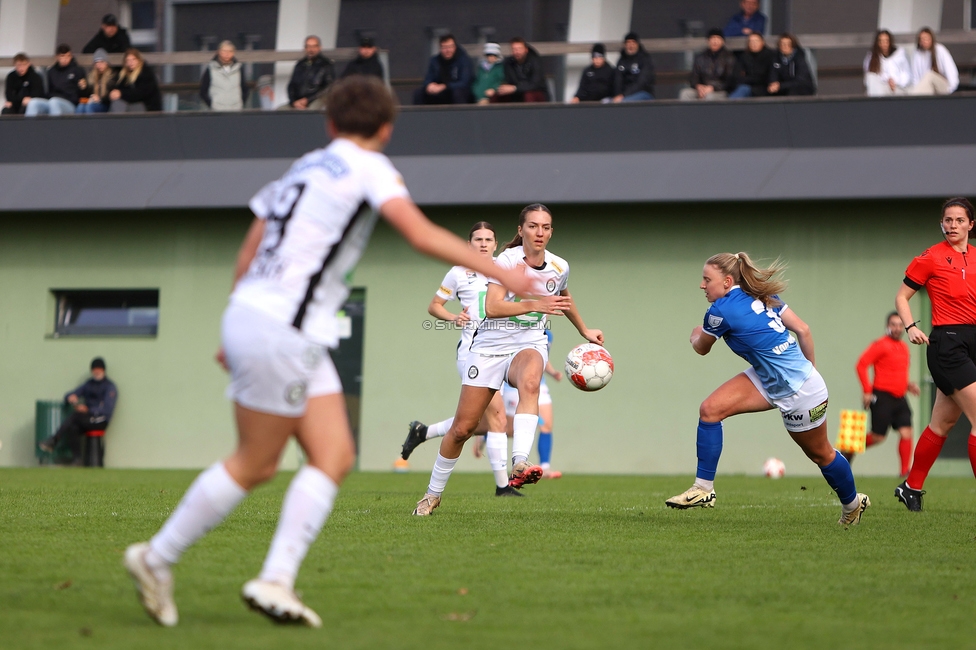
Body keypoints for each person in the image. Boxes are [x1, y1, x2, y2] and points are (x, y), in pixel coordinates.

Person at [122, 75, 532, 627]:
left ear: (330, 123)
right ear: (386, 129)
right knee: (257, 462)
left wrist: (233, 322)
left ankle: (274, 580)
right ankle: (157, 557)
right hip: (283, 326)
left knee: (333, 453)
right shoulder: (370, 166)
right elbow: (419, 234)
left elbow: (253, 242)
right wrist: (505, 272)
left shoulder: (306, 165)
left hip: (261, 318)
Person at [412, 203, 603, 516]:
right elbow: (493, 307)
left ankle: (520, 463)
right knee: (462, 429)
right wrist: (534, 304)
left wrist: (584, 329)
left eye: (545, 227)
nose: (539, 232)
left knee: (531, 381)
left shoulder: (559, 266)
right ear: (521, 230)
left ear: (551, 231)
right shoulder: (506, 262)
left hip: (528, 343)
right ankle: (432, 495)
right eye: (532, 226)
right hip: (488, 346)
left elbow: (563, 299)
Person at [666, 252, 870, 527]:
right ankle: (703, 489)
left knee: (821, 454)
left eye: (707, 279)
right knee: (710, 410)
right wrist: (809, 370)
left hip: (800, 392)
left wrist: (694, 334)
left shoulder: (720, 310)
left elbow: (701, 347)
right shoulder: (761, 296)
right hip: (775, 378)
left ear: (727, 281)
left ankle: (853, 505)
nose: (702, 285)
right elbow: (804, 330)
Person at [400, 222, 521, 496]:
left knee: (474, 422)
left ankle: (424, 432)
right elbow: (434, 306)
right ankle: (503, 487)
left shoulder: (504, 272)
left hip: (500, 353)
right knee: (498, 417)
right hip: (471, 354)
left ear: (495, 244)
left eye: (488, 239)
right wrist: (454, 317)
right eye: (477, 238)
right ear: (469, 244)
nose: (483, 243)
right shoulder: (458, 273)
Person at [893, 197, 976, 512]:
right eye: (948, 220)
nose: (952, 225)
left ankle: (911, 488)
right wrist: (911, 325)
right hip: (947, 344)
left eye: (959, 220)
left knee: (942, 423)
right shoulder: (931, 257)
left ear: (971, 224)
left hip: (972, 341)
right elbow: (902, 296)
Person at [850, 312, 920, 476]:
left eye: (899, 325)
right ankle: (849, 448)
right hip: (882, 396)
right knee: (878, 437)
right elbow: (861, 365)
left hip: (900, 397)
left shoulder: (904, 347)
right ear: (887, 326)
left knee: (906, 432)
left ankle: (904, 472)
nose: (897, 328)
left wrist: (908, 385)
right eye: (893, 325)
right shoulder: (880, 345)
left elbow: (896, 371)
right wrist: (867, 391)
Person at [39, 358, 118, 467]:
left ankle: (54, 439)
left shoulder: (110, 386)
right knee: (73, 427)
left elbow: (107, 409)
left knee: (76, 416)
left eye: (99, 369)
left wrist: (88, 410)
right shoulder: (88, 384)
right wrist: (70, 397)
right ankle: (77, 459)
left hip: (101, 420)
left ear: (103, 370)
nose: (96, 371)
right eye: (94, 369)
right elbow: (70, 394)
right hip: (87, 418)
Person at [25, 44, 86, 117]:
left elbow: (83, 92)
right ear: (57, 57)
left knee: (54, 102)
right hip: (51, 100)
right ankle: (27, 127)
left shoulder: (77, 70)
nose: (65, 59)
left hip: (70, 103)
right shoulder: (51, 71)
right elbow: (48, 91)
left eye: (68, 56)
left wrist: (84, 87)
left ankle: (53, 128)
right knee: (33, 103)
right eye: (62, 56)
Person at [413, 34, 473, 105]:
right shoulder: (435, 61)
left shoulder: (464, 61)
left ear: (454, 47)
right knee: (418, 93)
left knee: (457, 93)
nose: (447, 50)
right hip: (440, 91)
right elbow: (428, 78)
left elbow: (464, 82)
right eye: (444, 47)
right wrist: (429, 85)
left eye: (450, 47)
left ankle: (460, 115)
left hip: (458, 91)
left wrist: (446, 86)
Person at [679, 29, 736, 101]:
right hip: (702, 89)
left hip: (720, 91)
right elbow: (694, 76)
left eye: (718, 39)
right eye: (712, 39)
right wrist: (698, 86)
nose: (715, 42)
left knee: (709, 97)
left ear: (722, 41)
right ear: (708, 41)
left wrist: (713, 87)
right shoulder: (701, 57)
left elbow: (729, 81)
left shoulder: (729, 58)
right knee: (685, 94)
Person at [491, 37, 548, 103]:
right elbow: (505, 79)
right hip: (516, 94)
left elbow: (535, 84)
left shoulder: (535, 62)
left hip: (536, 92)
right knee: (497, 95)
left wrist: (515, 88)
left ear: (526, 50)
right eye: (514, 49)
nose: (517, 52)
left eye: (519, 49)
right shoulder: (508, 63)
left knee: (528, 95)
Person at [284, 36, 335, 110]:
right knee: (280, 110)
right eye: (308, 46)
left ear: (320, 47)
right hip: (297, 101)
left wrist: (308, 100)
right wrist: (293, 101)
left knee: (310, 111)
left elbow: (329, 87)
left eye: (314, 46)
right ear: (305, 48)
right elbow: (291, 85)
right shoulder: (300, 64)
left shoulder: (326, 65)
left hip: (316, 100)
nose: (311, 49)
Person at [200, 41, 248, 111]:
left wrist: (240, 104)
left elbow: (245, 89)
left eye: (230, 51)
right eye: (224, 51)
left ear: (233, 53)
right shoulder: (211, 68)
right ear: (218, 52)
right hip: (217, 110)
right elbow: (203, 90)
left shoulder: (239, 69)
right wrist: (212, 104)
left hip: (236, 110)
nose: (227, 54)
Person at [909, 27, 958, 96]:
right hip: (928, 89)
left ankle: (912, 99)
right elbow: (915, 77)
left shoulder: (940, 50)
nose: (923, 41)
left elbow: (952, 72)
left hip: (943, 87)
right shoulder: (917, 54)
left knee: (930, 75)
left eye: (926, 39)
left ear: (931, 39)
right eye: (921, 39)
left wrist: (950, 91)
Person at [864, 29, 910, 97]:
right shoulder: (871, 57)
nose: (884, 44)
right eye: (881, 41)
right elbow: (868, 79)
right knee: (871, 77)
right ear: (878, 43)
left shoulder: (899, 54)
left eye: (886, 41)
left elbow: (906, 75)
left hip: (897, 89)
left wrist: (895, 82)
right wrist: (886, 81)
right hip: (881, 89)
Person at [612, 33, 655, 102]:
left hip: (643, 93)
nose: (630, 46)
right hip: (623, 96)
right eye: (628, 43)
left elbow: (641, 83)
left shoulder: (645, 59)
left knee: (624, 103)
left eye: (633, 43)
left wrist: (624, 95)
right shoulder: (621, 61)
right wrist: (618, 94)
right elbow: (617, 80)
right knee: (606, 103)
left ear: (637, 44)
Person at [729, 32, 774, 99]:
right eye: (751, 41)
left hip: (764, 89)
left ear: (762, 42)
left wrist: (747, 77)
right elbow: (736, 76)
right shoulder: (744, 56)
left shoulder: (770, 56)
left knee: (743, 89)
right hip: (746, 87)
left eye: (756, 41)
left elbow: (764, 77)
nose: (754, 44)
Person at [77, 49, 115, 114]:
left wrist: (100, 99)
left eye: (101, 62)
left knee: (90, 107)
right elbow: (86, 94)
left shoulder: (112, 76)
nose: (99, 65)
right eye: (97, 62)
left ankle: (91, 124)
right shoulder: (91, 76)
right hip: (93, 102)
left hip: (105, 104)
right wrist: (84, 88)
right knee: (81, 106)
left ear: (106, 63)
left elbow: (111, 95)